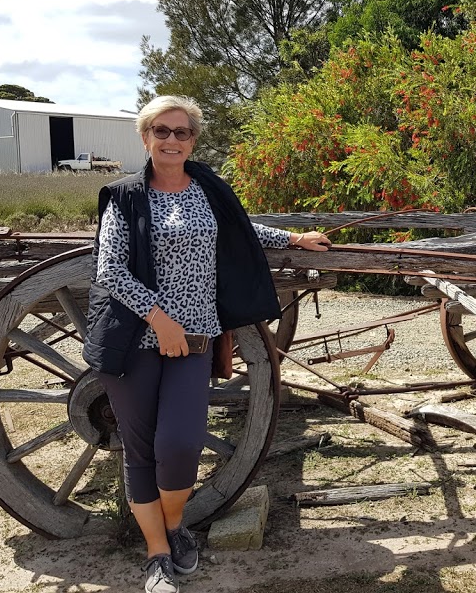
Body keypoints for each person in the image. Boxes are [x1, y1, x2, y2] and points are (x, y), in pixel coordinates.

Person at [84, 95, 330, 593]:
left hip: (193, 342)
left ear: (193, 139)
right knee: (140, 450)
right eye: (162, 131)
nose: (172, 140)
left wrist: (294, 240)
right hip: (135, 342)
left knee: (181, 443)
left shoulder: (207, 188)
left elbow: (238, 232)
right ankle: (157, 554)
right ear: (145, 136)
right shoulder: (125, 196)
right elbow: (109, 268)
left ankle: (175, 526)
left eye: (182, 132)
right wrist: (161, 319)